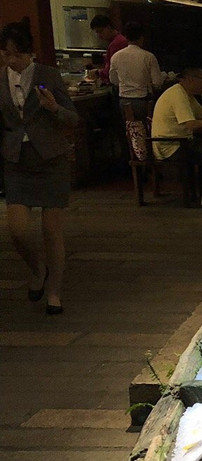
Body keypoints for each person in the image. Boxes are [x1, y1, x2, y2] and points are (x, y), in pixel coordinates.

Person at [1, 22, 79, 314]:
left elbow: (73, 118)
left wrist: (54, 108)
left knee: (51, 231)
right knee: (17, 231)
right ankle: (37, 268)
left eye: (17, 55)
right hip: (16, 160)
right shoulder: (0, 79)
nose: (12, 60)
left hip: (50, 160)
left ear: (30, 53)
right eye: (6, 54)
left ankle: (55, 291)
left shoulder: (48, 75)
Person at [150, 66, 202, 206]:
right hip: (170, 146)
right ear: (191, 79)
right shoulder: (177, 95)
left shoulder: (187, 94)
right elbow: (191, 125)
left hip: (180, 142)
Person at [108, 22, 162, 120]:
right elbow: (157, 83)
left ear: (126, 37)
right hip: (143, 100)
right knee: (146, 127)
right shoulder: (148, 56)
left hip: (124, 100)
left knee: (129, 127)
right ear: (141, 38)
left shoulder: (116, 56)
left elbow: (113, 80)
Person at [90, 14, 127, 86]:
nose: (99, 36)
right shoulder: (119, 40)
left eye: (100, 31)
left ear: (108, 27)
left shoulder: (116, 43)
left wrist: (97, 72)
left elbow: (111, 70)